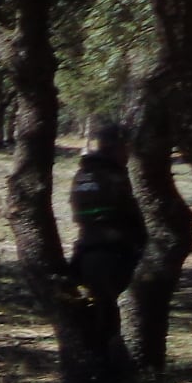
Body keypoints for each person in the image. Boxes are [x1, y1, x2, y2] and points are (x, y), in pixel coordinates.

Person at [68, 120, 146, 347]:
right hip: (113, 253)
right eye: (127, 148)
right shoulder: (115, 177)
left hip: (86, 249)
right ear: (117, 146)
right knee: (111, 317)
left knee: (100, 313)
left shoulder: (83, 173)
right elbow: (128, 213)